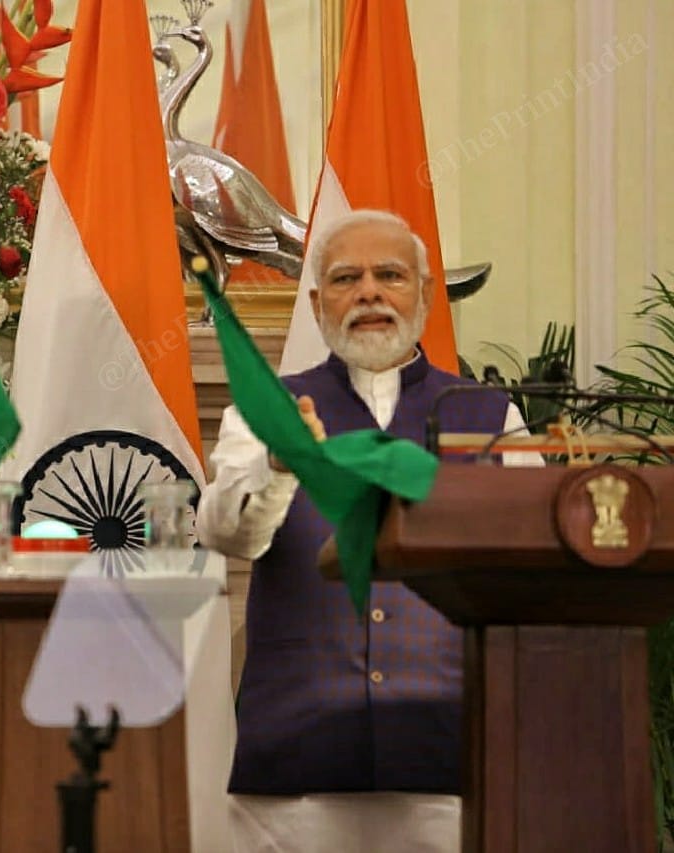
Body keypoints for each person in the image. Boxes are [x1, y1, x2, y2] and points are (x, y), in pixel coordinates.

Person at [196, 210, 542, 853]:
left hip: (451, 763)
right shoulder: (269, 405)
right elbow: (226, 535)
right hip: (298, 769)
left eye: (390, 275)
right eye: (346, 278)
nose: (369, 293)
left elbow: (534, 569)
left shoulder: (492, 414)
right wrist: (277, 462)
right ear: (316, 301)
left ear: (427, 295)